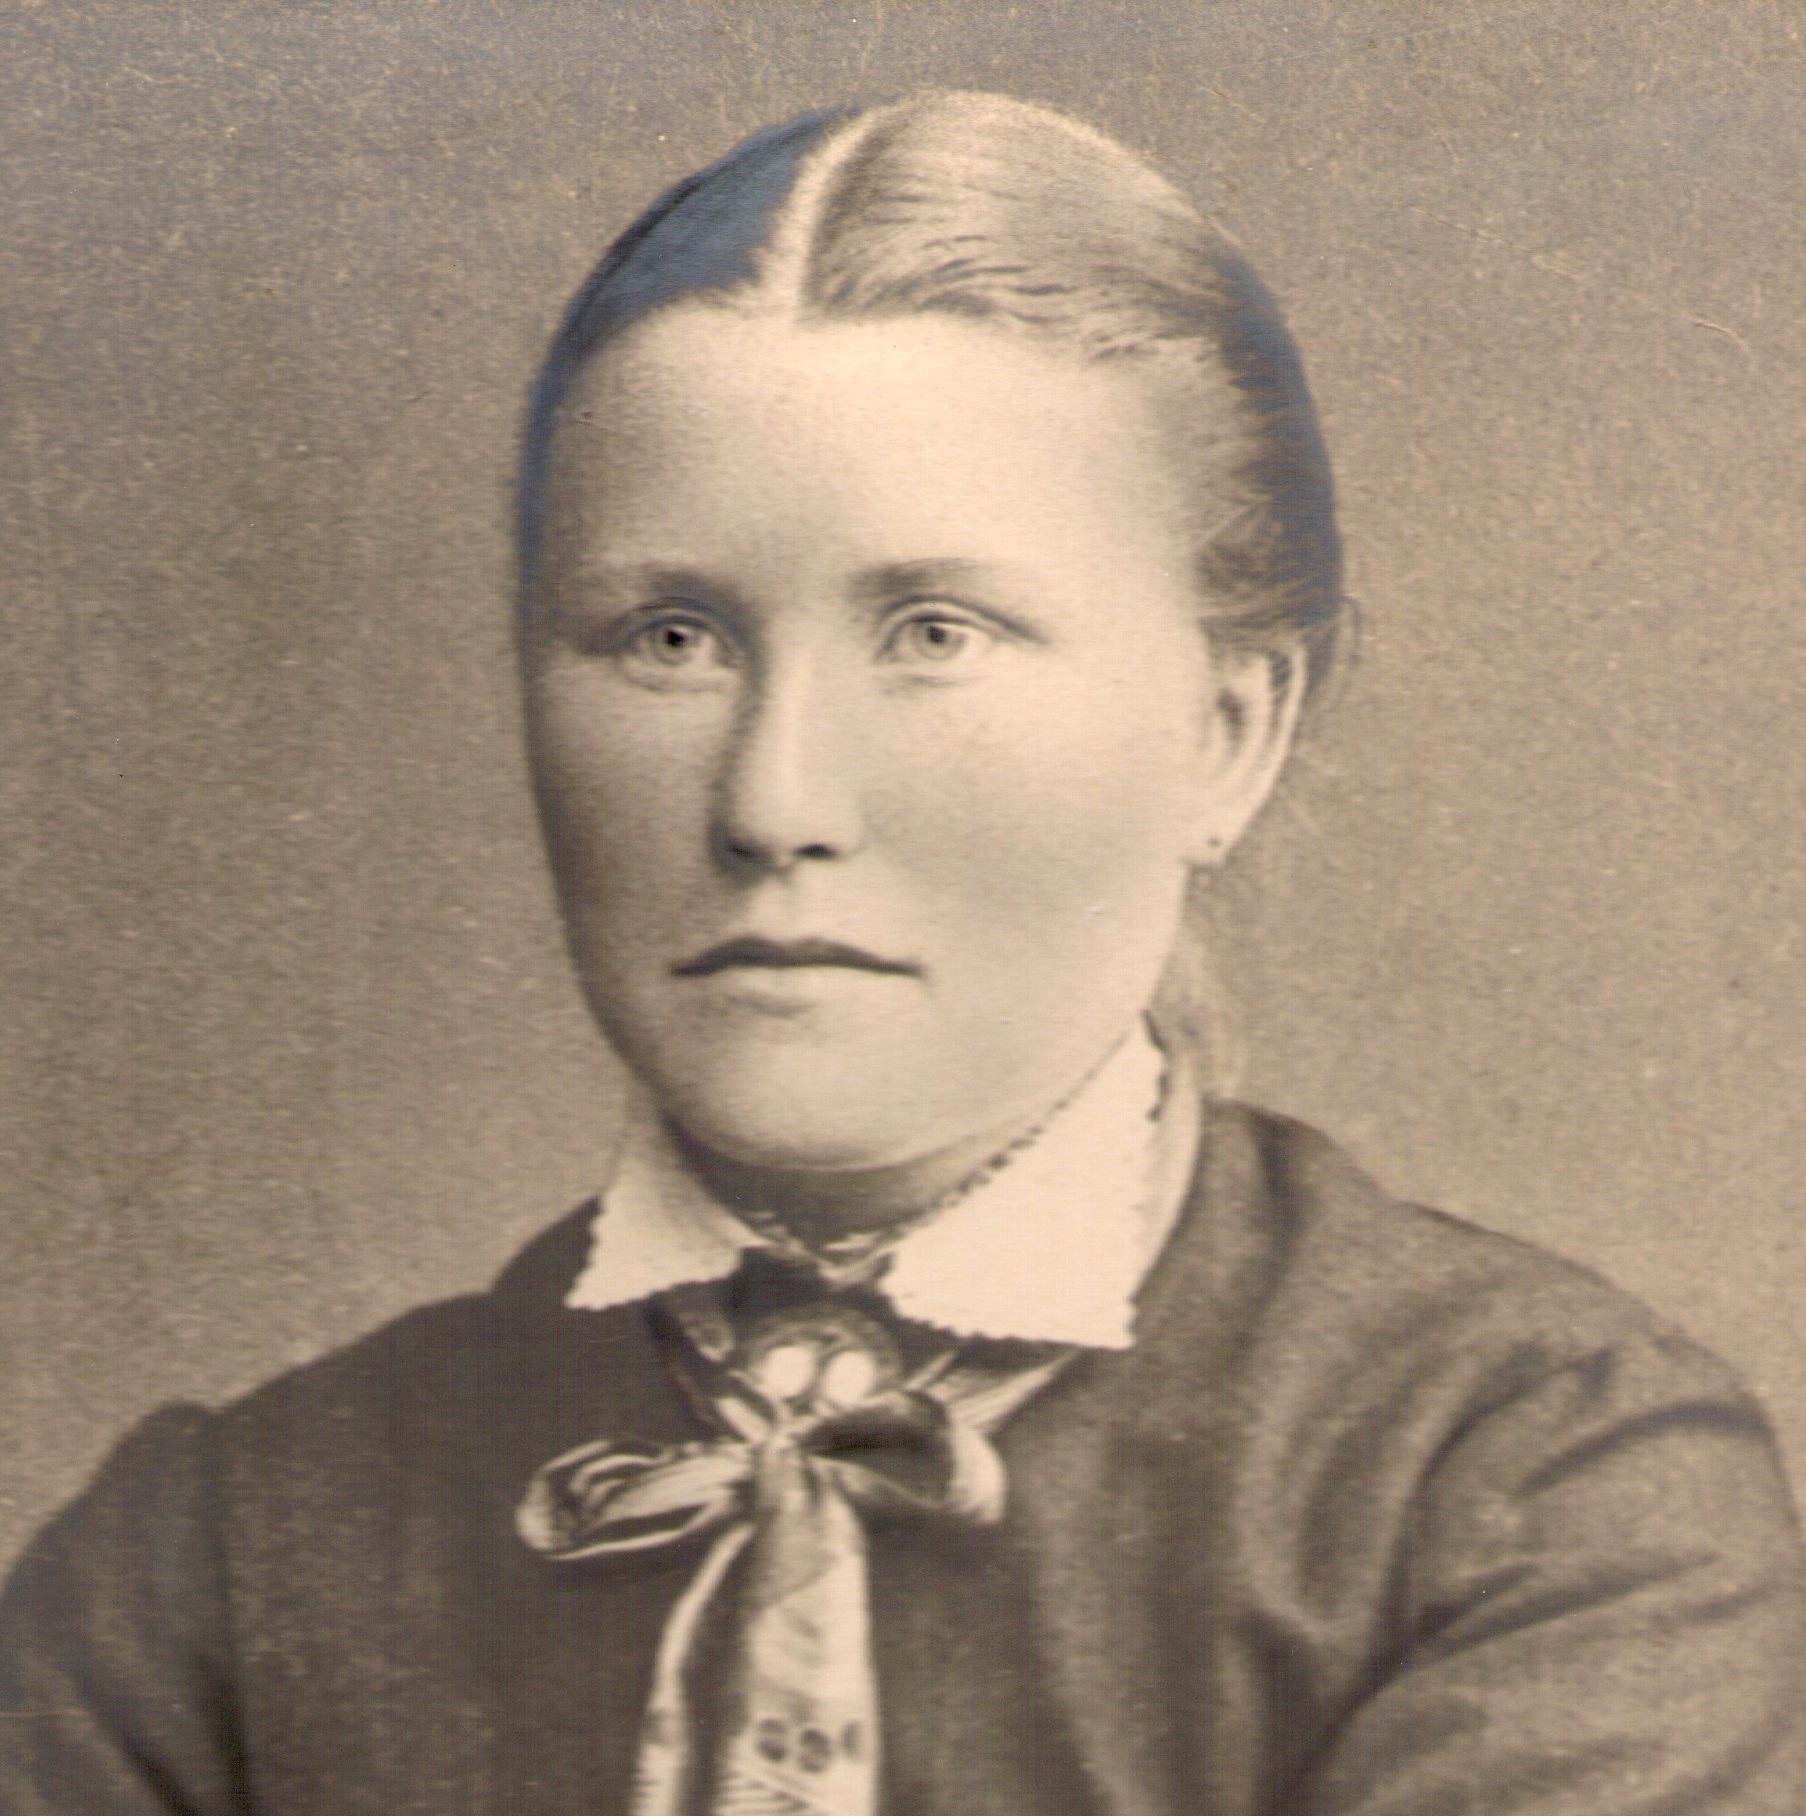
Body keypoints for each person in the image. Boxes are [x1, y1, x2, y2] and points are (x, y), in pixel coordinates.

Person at [1, 89, 1801, 1816]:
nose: (771, 801)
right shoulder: (213, 1569)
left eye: (934, 632)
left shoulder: (1525, 1488)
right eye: (669, 637)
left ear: (1228, 731)